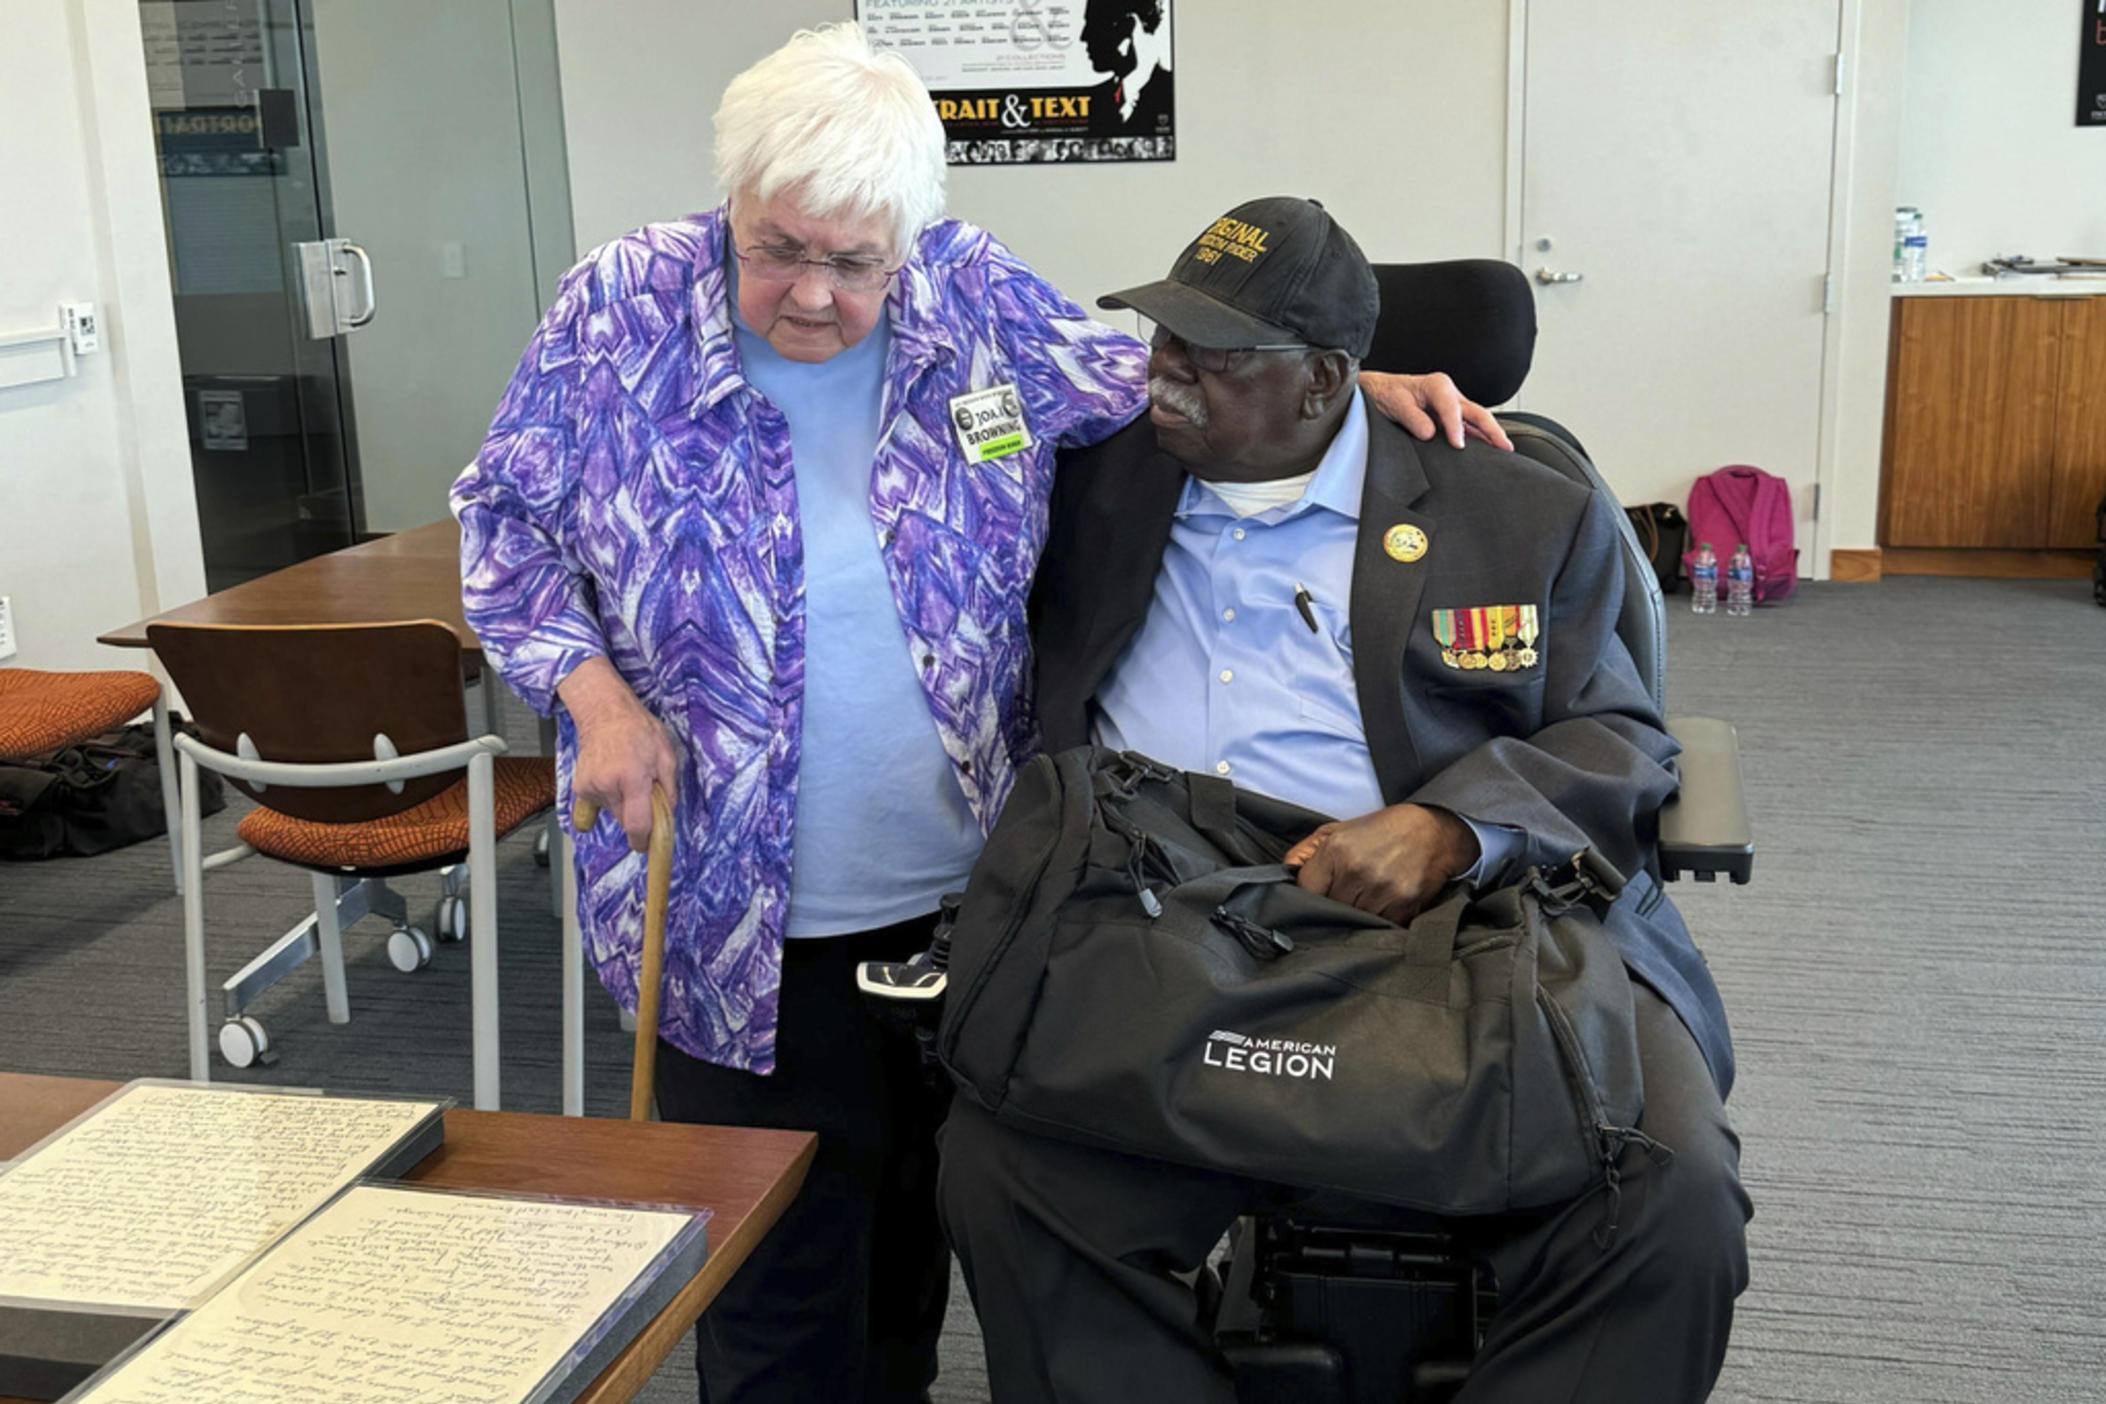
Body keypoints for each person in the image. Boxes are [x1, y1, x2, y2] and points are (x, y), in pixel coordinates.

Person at [451, 26, 1502, 1404]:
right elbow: (502, 520)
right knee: (772, 1287)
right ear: (730, 205)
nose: (814, 296)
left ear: (908, 239)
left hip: (974, 907)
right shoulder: (619, 311)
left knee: (919, 1247)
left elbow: (1155, 385)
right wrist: (592, 699)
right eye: (777, 248)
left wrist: (1335, 397)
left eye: (854, 262)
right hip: (722, 910)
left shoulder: (971, 296)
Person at [937, 196, 1753, 1403]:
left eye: (1207, 358)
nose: (1160, 377)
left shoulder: (1516, 508)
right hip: (1166, 907)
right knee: (1009, 1167)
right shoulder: (1092, 485)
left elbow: (1617, 732)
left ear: (1325, 380)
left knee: (1667, 1195)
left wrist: (1452, 825)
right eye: (1161, 341)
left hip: (1473, 922)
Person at [1081, 0, 1174, 137]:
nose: (1084, 37)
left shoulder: (1172, 93)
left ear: (1128, 26)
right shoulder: (1093, 101)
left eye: (1095, 24)